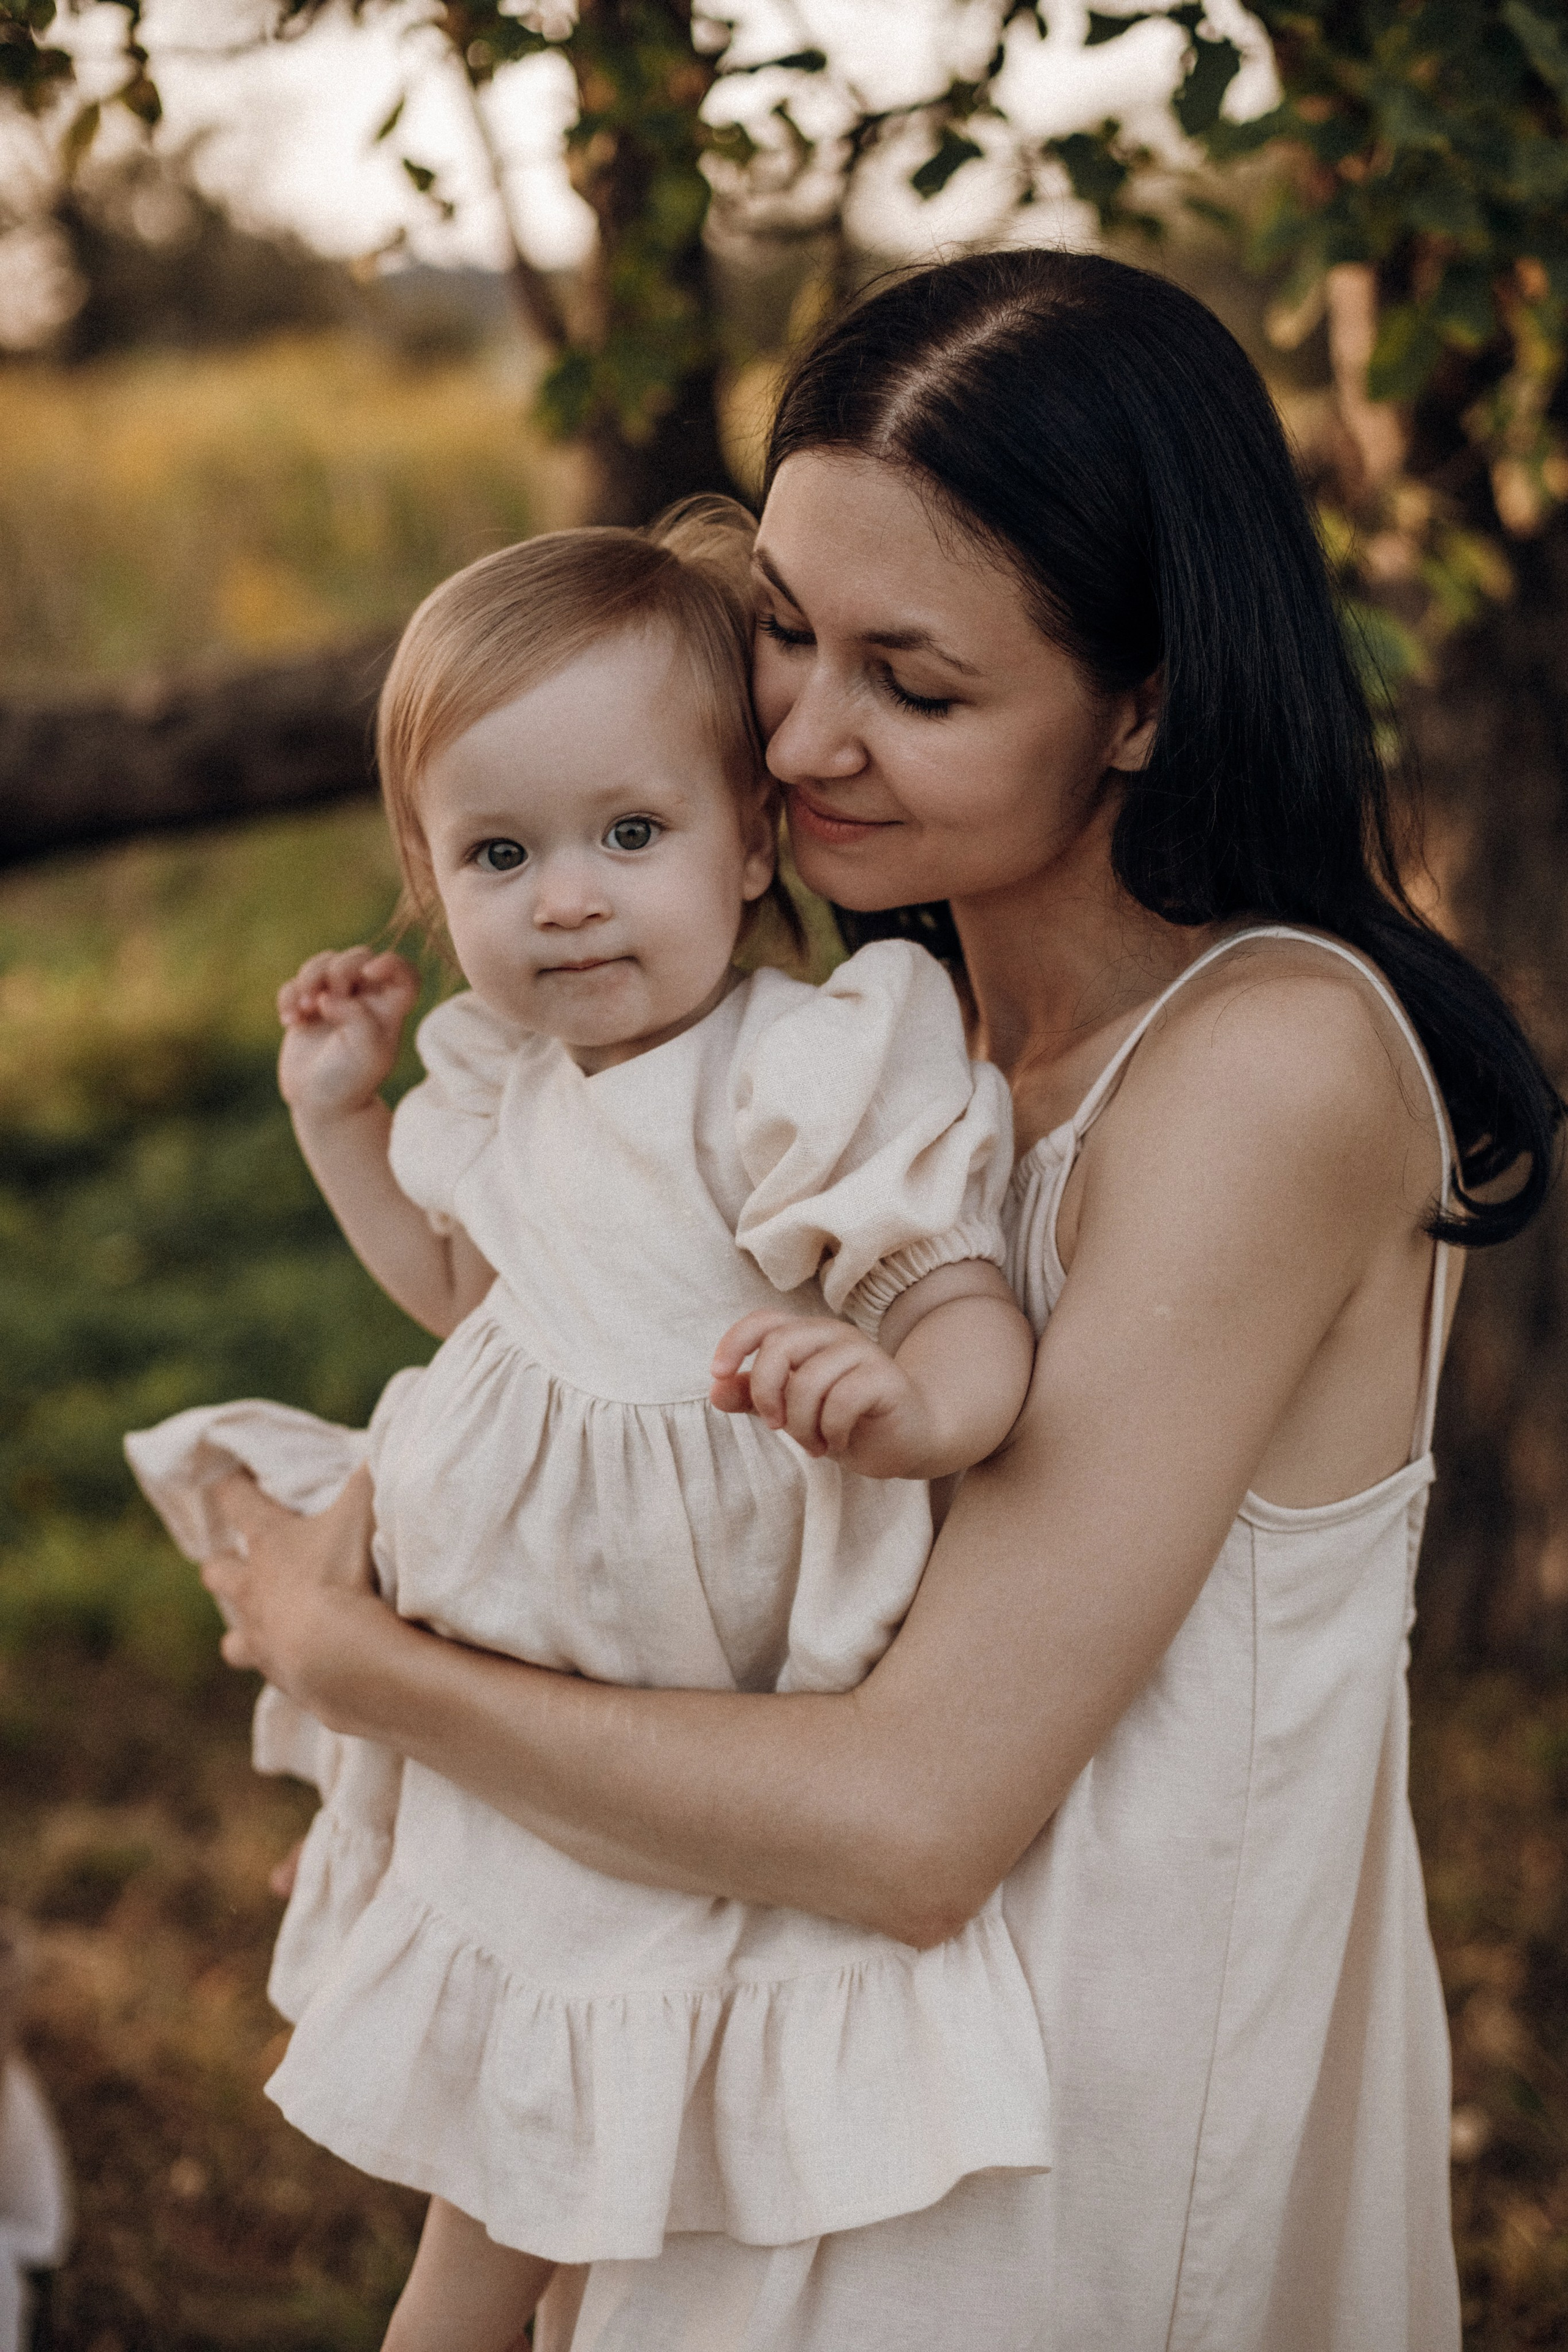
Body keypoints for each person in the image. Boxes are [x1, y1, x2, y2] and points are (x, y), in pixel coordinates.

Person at [201, 249, 1562, 2351]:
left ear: (1145, 700)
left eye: (913, 685)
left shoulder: (1263, 1067)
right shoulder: (875, 1054)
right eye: (784, 634)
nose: (805, 737)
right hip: (766, 2066)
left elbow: (921, 1822)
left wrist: (346, 1660)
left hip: (1040, 2166)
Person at [130, 502, 1045, 2350]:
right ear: (428, 875)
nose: (566, 898)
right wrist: (336, 1118)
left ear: (751, 838)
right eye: (501, 854)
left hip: (661, 1708)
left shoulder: (794, 1068)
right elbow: (467, 1296)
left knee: (519, 2213)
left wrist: (916, 1408)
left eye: (631, 835)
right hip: (511, 1678)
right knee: (523, 2182)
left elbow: (953, 1293)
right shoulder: (516, 1084)